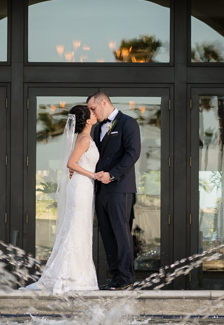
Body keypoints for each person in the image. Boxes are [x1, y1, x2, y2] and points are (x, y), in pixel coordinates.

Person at [24, 104, 99, 293]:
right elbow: (70, 163)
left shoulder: (86, 138)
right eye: (92, 113)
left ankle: (78, 276)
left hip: (84, 187)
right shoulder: (83, 139)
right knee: (75, 229)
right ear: (87, 120)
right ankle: (69, 277)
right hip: (81, 187)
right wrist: (94, 175)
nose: (95, 114)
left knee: (80, 229)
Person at [88, 91, 141, 290]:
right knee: (107, 234)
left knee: (121, 232)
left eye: (93, 108)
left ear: (104, 102)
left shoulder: (128, 123)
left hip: (120, 187)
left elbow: (133, 154)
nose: (92, 113)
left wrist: (111, 175)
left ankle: (126, 277)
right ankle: (115, 277)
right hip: (100, 189)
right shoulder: (97, 128)